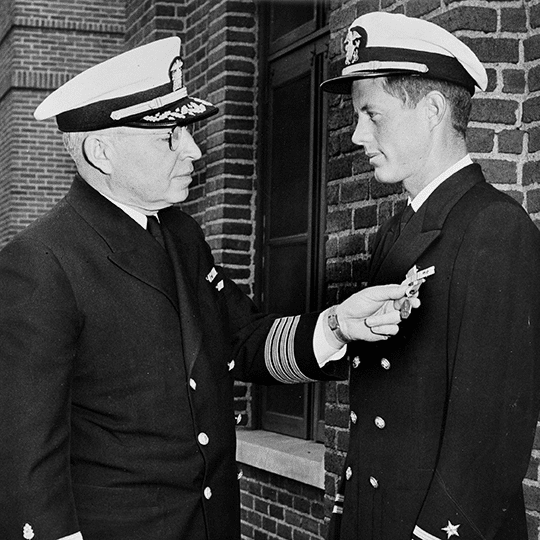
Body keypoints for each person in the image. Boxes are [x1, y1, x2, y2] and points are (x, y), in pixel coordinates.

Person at [0, 37, 416, 540]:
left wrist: (337, 325)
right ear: (101, 151)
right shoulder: (41, 263)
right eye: (169, 138)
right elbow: (24, 456)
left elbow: (239, 340)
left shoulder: (180, 235)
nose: (194, 150)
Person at [320, 11, 540, 540]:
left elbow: (491, 433)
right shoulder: (400, 229)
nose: (356, 134)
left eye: (373, 115)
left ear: (434, 111)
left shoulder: (494, 229)